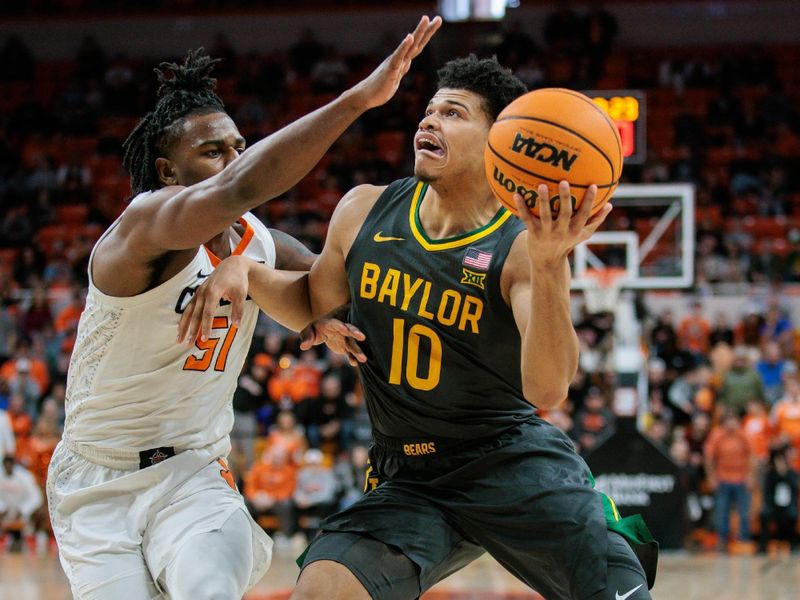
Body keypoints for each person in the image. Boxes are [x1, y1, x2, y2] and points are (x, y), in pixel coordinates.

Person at [184, 55, 657, 600]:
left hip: (510, 461)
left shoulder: (524, 248)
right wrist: (246, 269)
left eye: (452, 113)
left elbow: (548, 389)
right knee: (323, 589)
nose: (427, 123)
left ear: (502, 141)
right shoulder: (364, 209)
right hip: (409, 473)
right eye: (428, 111)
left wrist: (551, 264)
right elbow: (312, 302)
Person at [46, 16, 441, 600]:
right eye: (212, 152)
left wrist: (324, 311)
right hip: (98, 480)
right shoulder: (144, 226)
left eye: (238, 146)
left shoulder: (262, 244)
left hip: (194, 473)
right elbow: (239, 188)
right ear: (168, 173)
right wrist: (356, 101)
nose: (232, 159)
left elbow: (358, 280)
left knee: (209, 589)